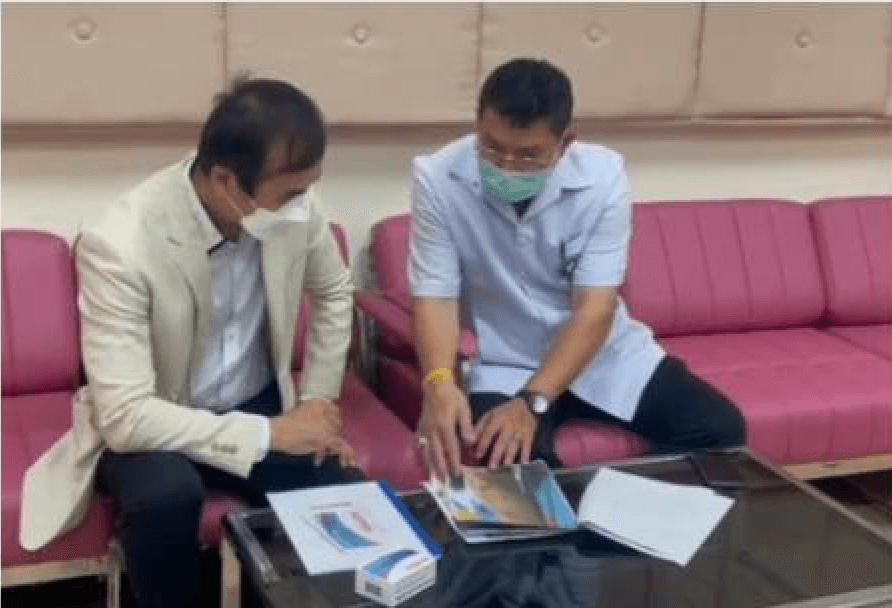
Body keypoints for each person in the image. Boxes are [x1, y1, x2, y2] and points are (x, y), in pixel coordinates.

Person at [20, 78, 363, 608]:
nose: (304, 206)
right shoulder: (121, 242)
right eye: (291, 194)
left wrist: (316, 403)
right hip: (156, 416)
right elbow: (126, 415)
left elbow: (336, 290)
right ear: (226, 181)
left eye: (308, 189)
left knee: (337, 489)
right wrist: (270, 434)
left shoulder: (293, 207)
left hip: (253, 401)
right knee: (165, 498)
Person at [410, 58, 746, 478]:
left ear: (566, 142)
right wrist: (438, 382)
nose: (507, 166)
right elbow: (435, 295)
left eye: (528, 155)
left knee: (721, 431)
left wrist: (533, 402)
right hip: (506, 362)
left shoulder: (602, 179)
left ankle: (618, 513)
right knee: (514, 468)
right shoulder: (437, 178)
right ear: (477, 124)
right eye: (492, 148)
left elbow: (594, 308)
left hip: (602, 355)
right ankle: (572, 517)